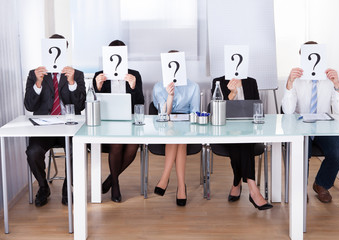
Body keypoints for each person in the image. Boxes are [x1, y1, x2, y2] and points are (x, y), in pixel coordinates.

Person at [282, 41, 339, 203]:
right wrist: (289, 83)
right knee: (302, 153)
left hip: (324, 126)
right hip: (300, 126)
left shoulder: (329, 78)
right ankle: (300, 188)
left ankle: (321, 184)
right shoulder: (296, 79)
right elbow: (288, 111)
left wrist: (337, 85)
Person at [24, 34, 86, 207]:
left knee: (77, 150)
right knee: (32, 152)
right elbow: (29, 105)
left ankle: (68, 187)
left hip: (69, 127)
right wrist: (38, 83)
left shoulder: (77, 74)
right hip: (44, 129)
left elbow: (80, 105)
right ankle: (43, 187)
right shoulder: (34, 74)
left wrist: (72, 82)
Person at [94, 40, 144, 202]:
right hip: (107, 123)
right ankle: (115, 185)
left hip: (128, 122)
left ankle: (110, 179)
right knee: (116, 144)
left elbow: (140, 103)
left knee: (133, 146)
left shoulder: (134, 74)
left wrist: (133, 86)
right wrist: (98, 88)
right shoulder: (99, 75)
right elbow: (92, 104)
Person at [211, 76, 272, 210]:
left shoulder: (251, 82)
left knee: (244, 141)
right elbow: (216, 112)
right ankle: (253, 189)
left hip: (248, 131)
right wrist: (232, 94)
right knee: (237, 141)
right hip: (225, 131)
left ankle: (237, 183)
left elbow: (257, 108)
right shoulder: (219, 82)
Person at [152, 50, 200, 206]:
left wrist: (185, 123)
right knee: (175, 135)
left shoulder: (193, 86)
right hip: (166, 124)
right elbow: (163, 114)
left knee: (180, 136)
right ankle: (181, 186)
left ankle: (165, 178)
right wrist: (170, 96)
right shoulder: (159, 87)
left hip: (187, 125)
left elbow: (195, 113)